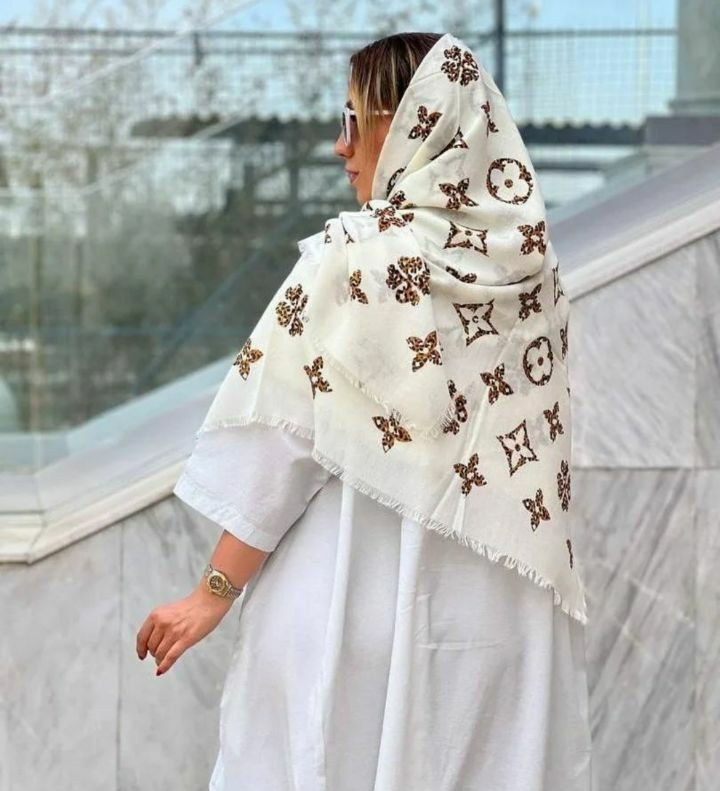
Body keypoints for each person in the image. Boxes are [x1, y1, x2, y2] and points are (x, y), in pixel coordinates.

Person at [136, 31, 593, 790]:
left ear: (411, 124)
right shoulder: (533, 281)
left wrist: (209, 595)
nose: (339, 146)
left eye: (353, 121)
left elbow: (279, 444)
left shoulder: (353, 256)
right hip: (501, 636)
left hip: (349, 620)